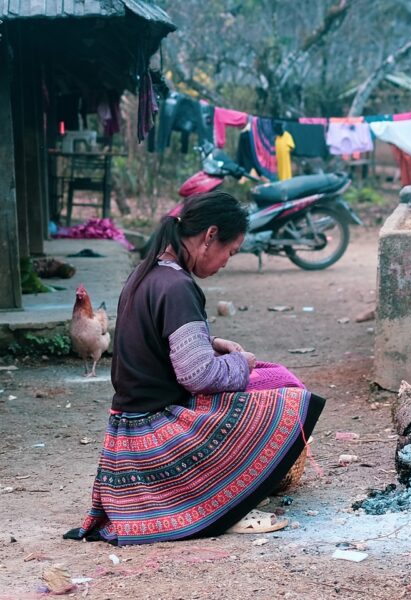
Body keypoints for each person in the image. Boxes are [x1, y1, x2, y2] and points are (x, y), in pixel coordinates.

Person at [64, 191, 325, 546]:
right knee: (286, 394)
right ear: (210, 236)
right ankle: (228, 503)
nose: (226, 263)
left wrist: (211, 343)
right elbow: (198, 377)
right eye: (230, 253)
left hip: (125, 433)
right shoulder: (178, 286)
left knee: (271, 377)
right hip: (156, 433)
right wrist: (241, 363)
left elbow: (158, 342)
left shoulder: (147, 272)